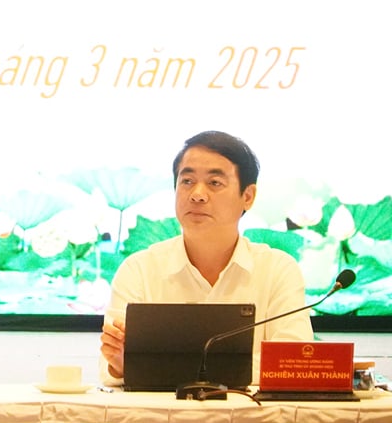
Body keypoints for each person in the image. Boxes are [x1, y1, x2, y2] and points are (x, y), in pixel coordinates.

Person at [99, 130, 312, 385]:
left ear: (248, 196)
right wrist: (121, 364)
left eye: (214, 183)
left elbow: (291, 365)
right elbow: (111, 369)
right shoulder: (138, 270)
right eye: (187, 181)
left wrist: (160, 366)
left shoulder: (278, 270)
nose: (197, 194)